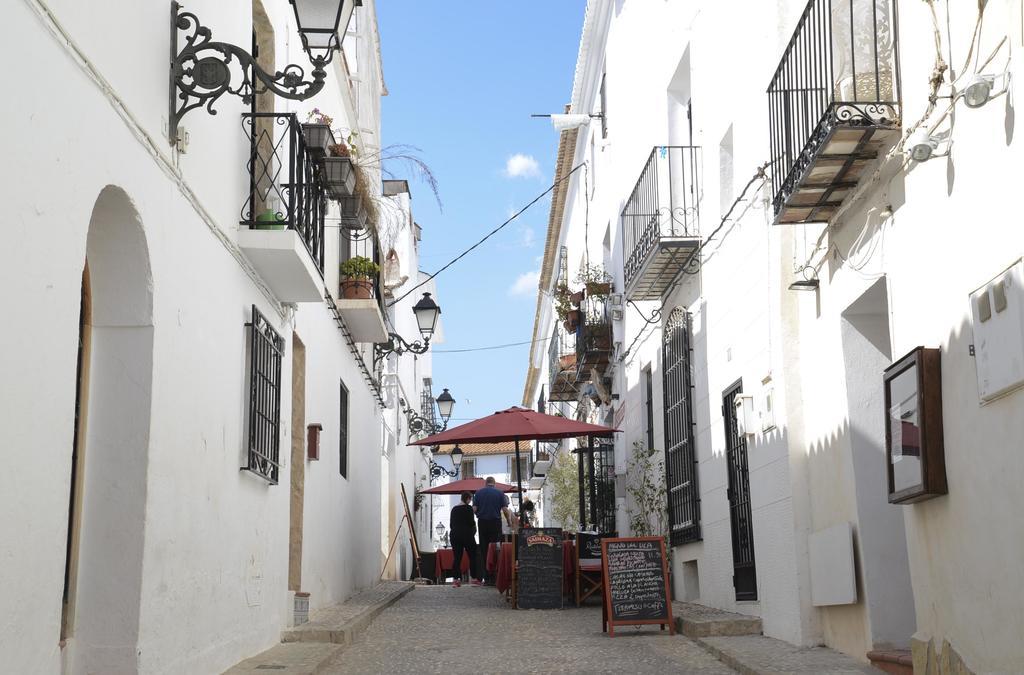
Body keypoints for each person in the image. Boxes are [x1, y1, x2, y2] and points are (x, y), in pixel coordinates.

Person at [473, 477, 514, 585]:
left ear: (485, 483)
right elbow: (505, 510)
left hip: (482, 523)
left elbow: (474, 509)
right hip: (495, 523)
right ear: (494, 483)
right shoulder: (500, 493)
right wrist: (509, 522)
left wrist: (477, 516)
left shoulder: (478, 493)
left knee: (484, 549)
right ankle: (494, 577)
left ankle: (486, 578)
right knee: (496, 549)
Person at [448, 491, 479, 587]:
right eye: (470, 499)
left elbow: (451, 524)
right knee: (472, 556)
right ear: (468, 499)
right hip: (467, 534)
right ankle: (474, 578)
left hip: (455, 535)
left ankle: (456, 580)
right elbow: (471, 523)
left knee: (457, 557)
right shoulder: (469, 508)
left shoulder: (454, 509)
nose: (470, 502)